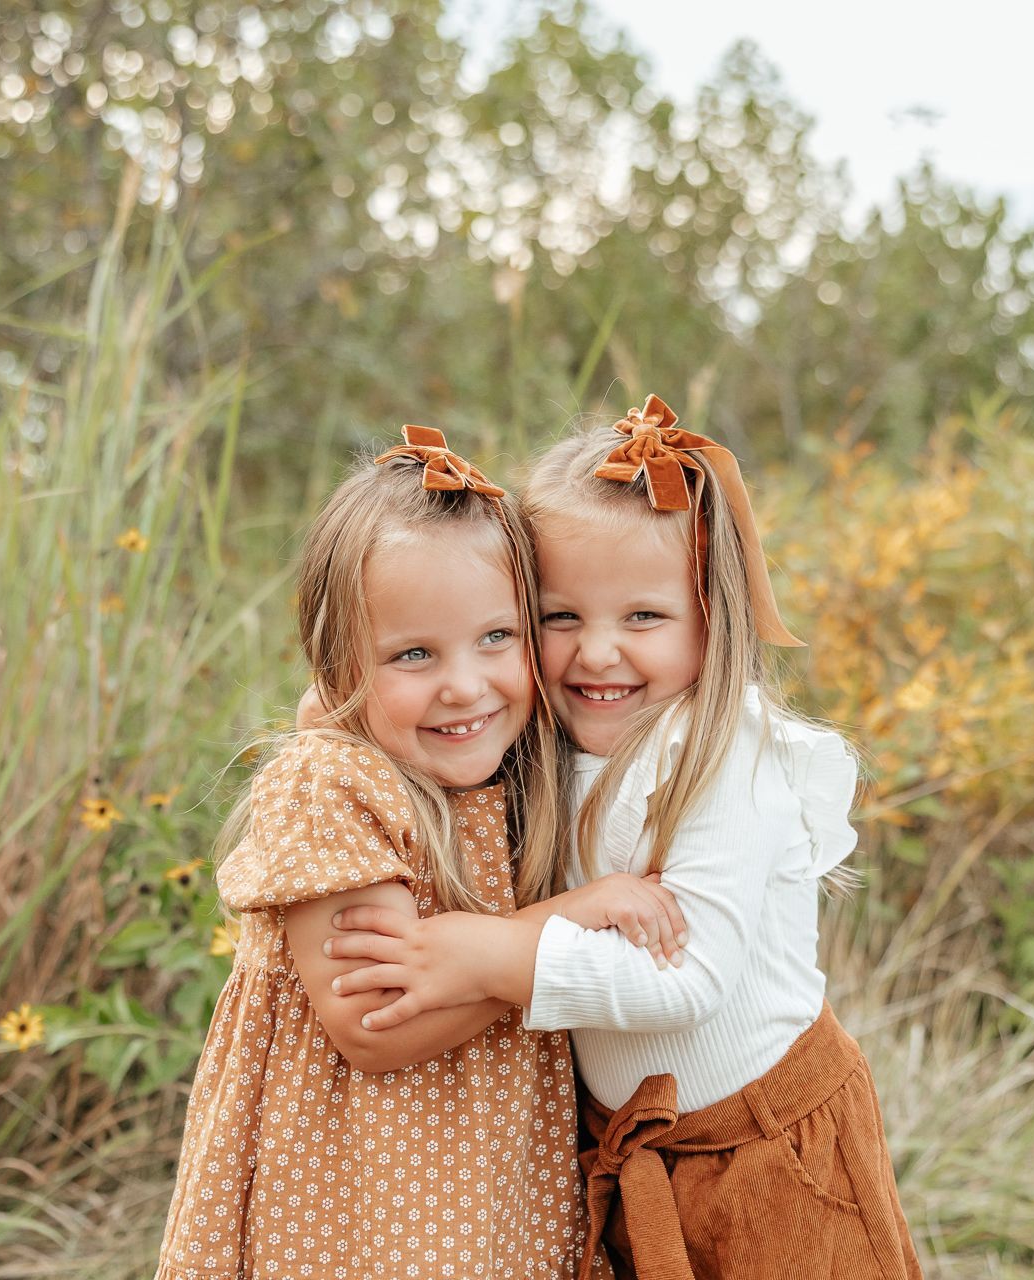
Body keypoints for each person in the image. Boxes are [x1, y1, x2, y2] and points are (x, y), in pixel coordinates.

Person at [328, 399, 923, 1279]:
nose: (597, 655)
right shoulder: (547, 738)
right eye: (561, 619)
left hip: (772, 1149)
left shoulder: (723, 757)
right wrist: (329, 709)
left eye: (643, 619)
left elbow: (689, 979)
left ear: (710, 618)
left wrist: (494, 958)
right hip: (634, 1149)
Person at [154, 426, 671, 1280]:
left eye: (498, 638)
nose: (464, 685)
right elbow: (375, 1027)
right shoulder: (336, 788)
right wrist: (569, 919)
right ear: (341, 662)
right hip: (352, 1192)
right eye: (415, 654)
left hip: (487, 1185)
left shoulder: (500, 765)